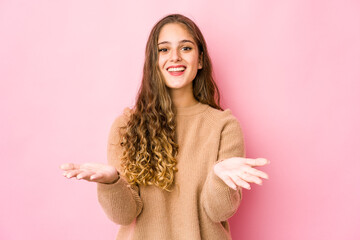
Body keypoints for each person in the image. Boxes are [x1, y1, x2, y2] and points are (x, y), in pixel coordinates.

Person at [60, 13, 270, 240]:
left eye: (186, 48)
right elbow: (125, 215)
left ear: (200, 60)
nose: (175, 57)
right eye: (164, 50)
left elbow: (219, 211)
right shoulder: (126, 126)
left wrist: (219, 178)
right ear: (154, 61)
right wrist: (112, 182)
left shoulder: (224, 126)